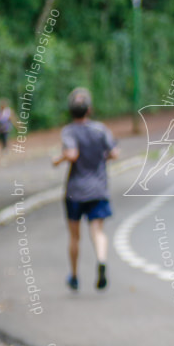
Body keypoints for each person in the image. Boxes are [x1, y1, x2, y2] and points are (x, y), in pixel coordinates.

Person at [52, 88, 119, 291]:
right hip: (98, 188)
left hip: (75, 191)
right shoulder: (100, 130)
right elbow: (114, 152)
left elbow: (72, 154)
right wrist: (100, 158)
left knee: (74, 236)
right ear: (89, 109)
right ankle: (101, 260)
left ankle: (74, 275)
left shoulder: (69, 131)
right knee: (97, 231)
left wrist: (59, 159)